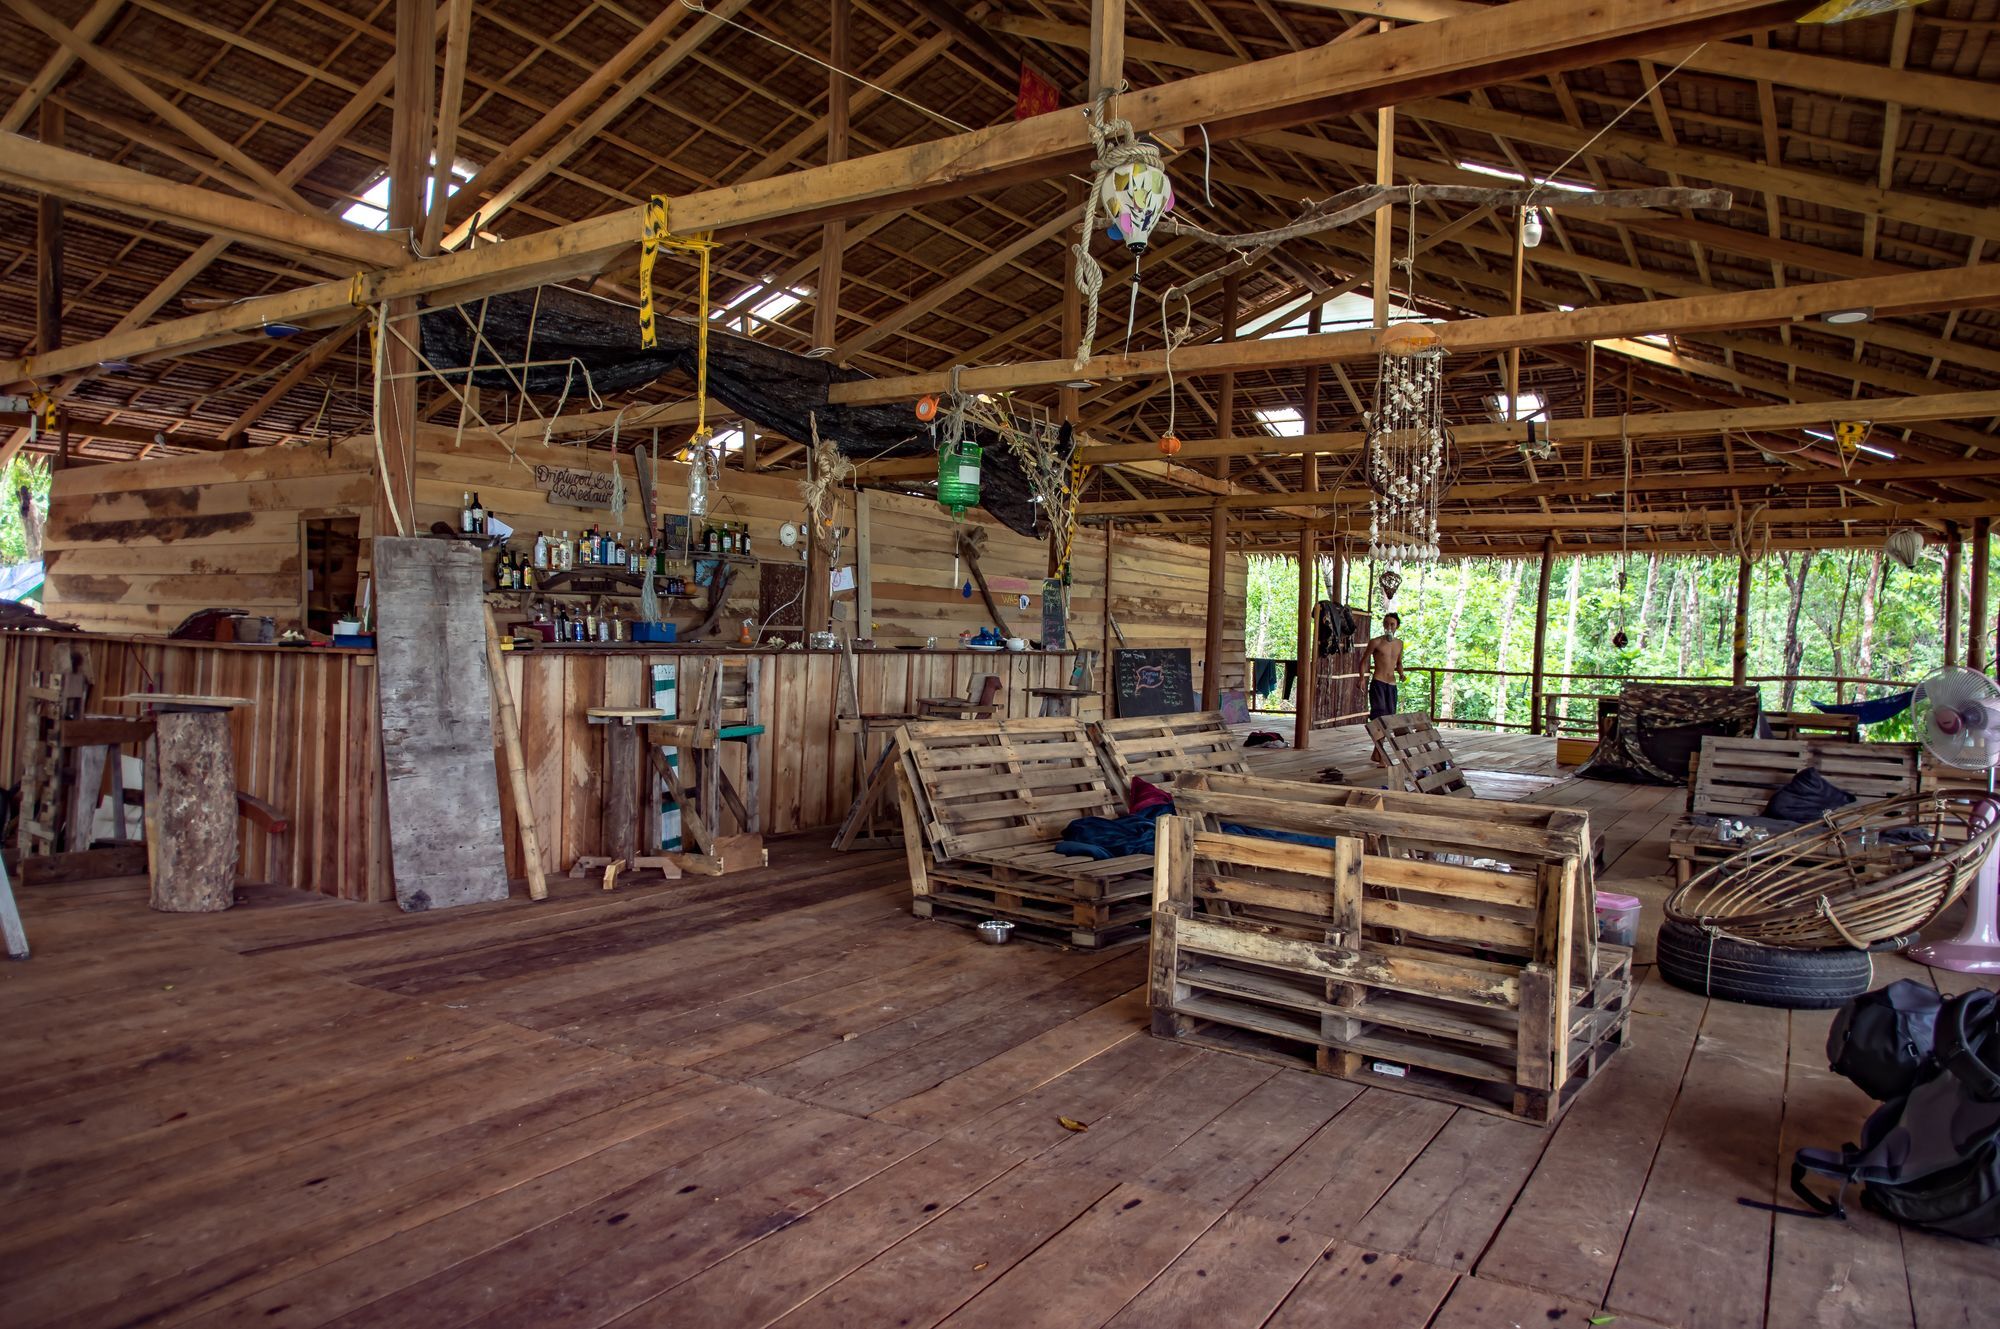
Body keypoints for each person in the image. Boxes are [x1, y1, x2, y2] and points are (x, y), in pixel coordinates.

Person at [1364, 612, 1406, 720]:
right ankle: (1378, 735)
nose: (1389, 627)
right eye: (1386, 624)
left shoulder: (1399, 644)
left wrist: (1401, 673)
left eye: (1392, 624)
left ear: (1397, 626)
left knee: (1390, 713)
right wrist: (1361, 679)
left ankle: (1386, 736)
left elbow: (1399, 663)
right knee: (1379, 710)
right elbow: (1363, 661)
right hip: (1378, 681)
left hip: (1392, 683)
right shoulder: (1375, 642)